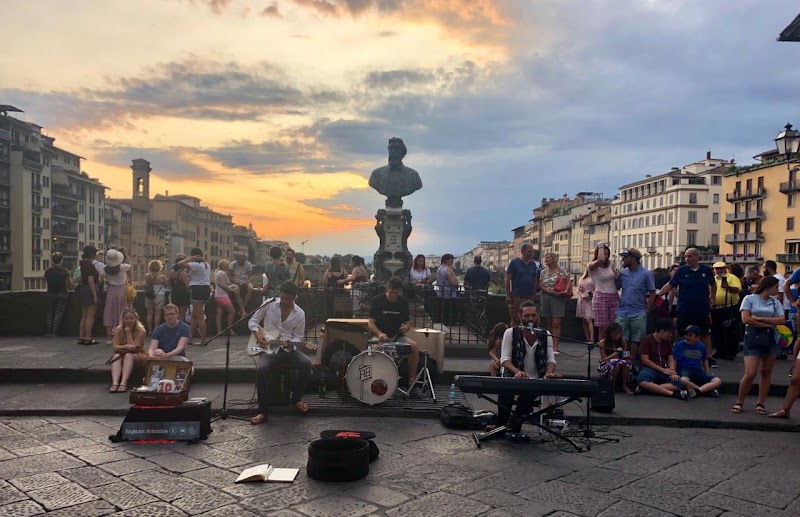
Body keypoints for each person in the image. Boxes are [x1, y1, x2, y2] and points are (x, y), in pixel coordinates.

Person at [248, 281, 311, 425]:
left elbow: (299, 337)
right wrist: (258, 335)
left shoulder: (300, 313)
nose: (284, 301)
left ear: (295, 297)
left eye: (288, 299)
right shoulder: (269, 303)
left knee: (306, 364)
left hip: (288, 350)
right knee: (261, 369)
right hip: (268, 349)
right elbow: (252, 321)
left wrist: (291, 343)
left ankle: (296, 399)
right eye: (282, 297)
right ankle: (263, 411)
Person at [494, 301, 560, 433]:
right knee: (506, 390)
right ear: (520, 316)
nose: (531, 319)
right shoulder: (510, 332)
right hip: (513, 375)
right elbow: (505, 359)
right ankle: (501, 424)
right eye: (527, 316)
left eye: (534, 315)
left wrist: (549, 372)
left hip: (535, 378)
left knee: (528, 395)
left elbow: (550, 359)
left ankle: (514, 423)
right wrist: (517, 372)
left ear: (538, 316)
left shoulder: (545, 334)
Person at [656, 248, 717, 368]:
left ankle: (709, 357)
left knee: (704, 333)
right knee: (681, 332)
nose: (687, 259)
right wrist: (658, 295)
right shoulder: (681, 271)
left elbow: (713, 284)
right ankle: (679, 355)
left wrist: (712, 297)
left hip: (701, 307)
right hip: (684, 307)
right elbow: (670, 285)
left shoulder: (705, 270)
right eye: (685, 256)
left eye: (689, 256)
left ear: (697, 257)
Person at [731, 276, 784, 415]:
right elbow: (746, 319)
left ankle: (760, 403)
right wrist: (769, 324)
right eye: (776, 287)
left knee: (766, 371)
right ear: (768, 287)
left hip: (771, 338)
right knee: (750, 373)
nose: (777, 289)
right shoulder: (749, 299)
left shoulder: (775, 302)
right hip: (753, 336)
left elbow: (781, 320)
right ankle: (740, 401)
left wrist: (759, 318)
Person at [368, 276, 420, 389]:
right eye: (391, 292)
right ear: (387, 289)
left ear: (400, 291)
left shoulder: (403, 302)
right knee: (375, 348)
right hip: (380, 336)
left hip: (398, 336)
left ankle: (411, 380)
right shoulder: (377, 300)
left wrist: (406, 328)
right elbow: (371, 323)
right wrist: (379, 333)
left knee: (414, 347)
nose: (393, 295)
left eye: (396, 293)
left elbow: (407, 322)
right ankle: (376, 379)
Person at [615, 248, 656, 368]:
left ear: (633, 258)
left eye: (625, 257)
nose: (623, 260)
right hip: (623, 311)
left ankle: (631, 363)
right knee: (622, 338)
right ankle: (625, 360)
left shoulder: (646, 274)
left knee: (636, 340)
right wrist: (616, 277)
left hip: (638, 311)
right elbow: (617, 287)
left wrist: (647, 310)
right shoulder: (623, 273)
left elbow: (652, 292)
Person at [637, 318, 689, 399]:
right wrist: (662, 370)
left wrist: (672, 370)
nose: (670, 335)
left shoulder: (667, 341)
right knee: (643, 381)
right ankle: (672, 394)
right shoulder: (647, 339)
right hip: (649, 368)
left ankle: (650, 389)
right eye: (669, 332)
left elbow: (670, 357)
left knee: (680, 383)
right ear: (661, 331)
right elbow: (645, 360)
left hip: (664, 368)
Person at [368, 137, 423, 208]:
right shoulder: (376, 174)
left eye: (397, 148)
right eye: (391, 148)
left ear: (403, 152)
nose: (393, 151)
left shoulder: (413, 176)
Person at [674, 325, 721, 397]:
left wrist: (707, 371)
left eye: (690, 335)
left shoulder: (701, 346)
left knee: (717, 381)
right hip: (684, 370)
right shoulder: (680, 345)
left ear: (697, 337)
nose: (687, 337)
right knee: (683, 380)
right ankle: (705, 391)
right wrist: (674, 372)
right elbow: (675, 360)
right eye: (686, 335)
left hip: (697, 370)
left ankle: (698, 391)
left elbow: (704, 360)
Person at [108, 308, 148, 393]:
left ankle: (123, 383)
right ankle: (115, 383)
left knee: (128, 355)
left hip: (138, 355)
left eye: (131, 318)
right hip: (122, 354)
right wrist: (126, 346)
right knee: (116, 356)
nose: (129, 320)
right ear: (122, 319)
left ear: (135, 319)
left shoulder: (141, 331)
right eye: (126, 318)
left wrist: (128, 333)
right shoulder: (118, 329)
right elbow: (115, 347)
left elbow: (133, 348)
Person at [538, 252, 571, 355]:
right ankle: (550, 344)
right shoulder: (543, 272)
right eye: (545, 258)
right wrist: (547, 291)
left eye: (548, 257)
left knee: (556, 322)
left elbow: (568, 281)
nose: (546, 259)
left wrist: (565, 291)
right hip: (545, 297)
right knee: (548, 322)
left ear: (553, 259)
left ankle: (555, 346)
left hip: (558, 298)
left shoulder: (561, 271)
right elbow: (540, 284)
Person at [588, 244, 620, 344]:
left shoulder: (610, 264)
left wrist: (617, 275)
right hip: (600, 296)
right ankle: (603, 349)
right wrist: (601, 245)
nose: (605, 256)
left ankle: (614, 347)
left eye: (607, 254)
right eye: (603, 253)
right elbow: (601, 260)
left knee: (615, 326)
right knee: (603, 328)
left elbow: (615, 278)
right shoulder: (592, 266)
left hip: (614, 296)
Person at [710, 261, 741, 361]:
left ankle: (730, 352)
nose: (719, 270)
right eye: (717, 269)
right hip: (716, 308)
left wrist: (728, 287)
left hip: (729, 307)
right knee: (717, 331)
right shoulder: (713, 279)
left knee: (731, 331)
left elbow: (737, 290)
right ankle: (720, 351)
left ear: (725, 268)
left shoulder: (732, 277)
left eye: (721, 268)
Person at [179, 248, 211, 346]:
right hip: (206, 289)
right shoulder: (206, 264)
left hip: (197, 289)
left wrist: (190, 259)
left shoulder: (196, 265)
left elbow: (179, 264)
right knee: (194, 315)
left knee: (200, 315)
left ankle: (204, 339)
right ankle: (189, 337)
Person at [505, 243, 540, 327]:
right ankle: (514, 334)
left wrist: (534, 294)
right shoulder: (514, 263)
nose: (531, 254)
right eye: (529, 251)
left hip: (529, 295)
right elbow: (507, 279)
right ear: (522, 251)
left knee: (530, 318)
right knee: (515, 318)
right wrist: (508, 295)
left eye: (532, 252)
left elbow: (535, 280)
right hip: (517, 295)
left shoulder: (533, 264)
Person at [102, 249, 131, 345]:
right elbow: (130, 265)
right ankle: (121, 337)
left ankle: (109, 338)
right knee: (121, 313)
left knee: (109, 313)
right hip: (121, 290)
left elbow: (102, 279)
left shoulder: (105, 268)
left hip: (111, 290)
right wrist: (126, 255)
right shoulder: (123, 267)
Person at [597, 322, 634, 394]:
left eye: (619, 334)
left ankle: (625, 385)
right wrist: (614, 354)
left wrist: (628, 356)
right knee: (616, 363)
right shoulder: (603, 342)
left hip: (620, 361)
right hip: (607, 362)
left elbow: (625, 356)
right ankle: (612, 385)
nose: (617, 336)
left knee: (626, 363)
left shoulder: (623, 342)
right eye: (614, 334)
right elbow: (603, 359)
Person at [44, 252, 72, 337]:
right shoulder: (64, 271)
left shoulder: (48, 271)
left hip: (50, 293)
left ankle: (48, 331)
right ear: (61, 260)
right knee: (58, 313)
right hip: (62, 293)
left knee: (50, 313)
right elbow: (69, 283)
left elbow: (47, 280)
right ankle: (54, 332)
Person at [77, 245, 100, 345]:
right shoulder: (90, 265)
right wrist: (95, 295)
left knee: (84, 315)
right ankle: (88, 337)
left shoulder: (82, 264)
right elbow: (91, 281)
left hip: (83, 289)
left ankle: (81, 336)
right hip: (89, 290)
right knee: (90, 316)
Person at [214, 259, 241, 334]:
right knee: (232, 311)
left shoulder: (218, 273)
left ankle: (219, 330)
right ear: (225, 266)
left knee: (219, 313)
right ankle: (229, 329)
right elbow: (222, 285)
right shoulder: (222, 273)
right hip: (223, 296)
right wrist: (231, 290)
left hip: (217, 295)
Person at [144, 260, 168, 334]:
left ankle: (150, 330)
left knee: (149, 312)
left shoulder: (147, 276)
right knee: (158, 313)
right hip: (159, 295)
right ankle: (156, 330)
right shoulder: (161, 277)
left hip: (149, 295)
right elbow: (167, 285)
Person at [436, 254, 459, 326]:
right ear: (446, 260)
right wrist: (457, 283)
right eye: (451, 260)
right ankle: (452, 322)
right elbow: (453, 282)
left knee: (443, 310)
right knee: (451, 310)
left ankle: (444, 322)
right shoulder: (448, 270)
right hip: (450, 294)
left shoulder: (440, 269)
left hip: (441, 293)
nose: (452, 261)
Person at [168, 253, 191, 323]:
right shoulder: (182, 273)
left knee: (175, 313)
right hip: (182, 295)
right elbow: (187, 285)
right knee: (182, 314)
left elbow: (169, 284)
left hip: (174, 294)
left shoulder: (172, 272)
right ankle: (180, 327)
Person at [575, 268, 595, 344]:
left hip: (589, 300)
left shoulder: (595, 278)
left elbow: (596, 289)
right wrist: (582, 295)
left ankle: (592, 338)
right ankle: (587, 338)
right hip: (582, 300)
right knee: (583, 320)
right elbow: (577, 289)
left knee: (588, 319)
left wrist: (589, 295)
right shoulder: (582, 278)